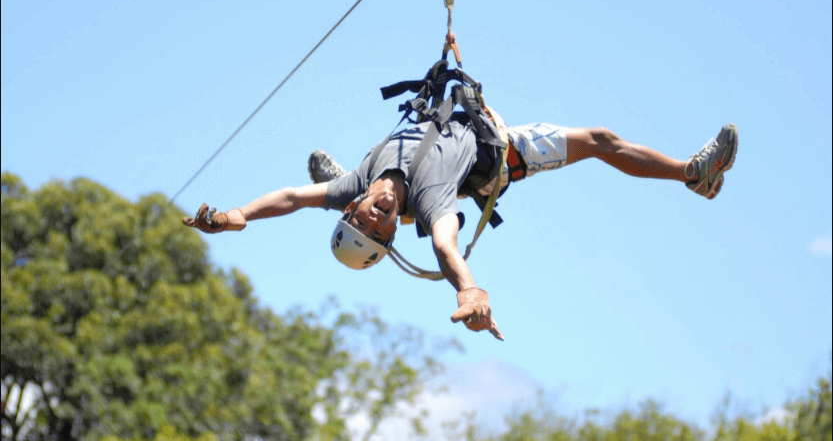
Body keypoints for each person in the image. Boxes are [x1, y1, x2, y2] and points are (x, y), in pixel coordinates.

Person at [183, 107, 738, 342]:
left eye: (367, 218)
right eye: (383, 230)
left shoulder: (354, 186)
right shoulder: (429, 203)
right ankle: (692, 173)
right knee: (598, 141)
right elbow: (447, 249)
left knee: (325, 184)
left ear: (351, 208)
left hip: (451, 114)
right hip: (500, 154)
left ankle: (693, 176)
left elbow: (288, 197)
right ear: (395, 232)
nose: (375, 218)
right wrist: (470, 289)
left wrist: (236, 217)